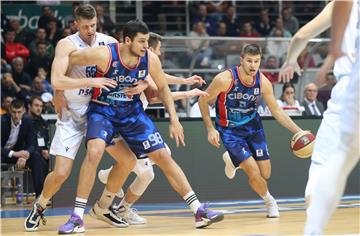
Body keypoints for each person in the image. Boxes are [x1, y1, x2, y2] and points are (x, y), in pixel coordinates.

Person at [67, 19, 224, 230]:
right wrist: (76, 85)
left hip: (132, 113)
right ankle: (77, 216)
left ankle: (198, 210)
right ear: (127, 40)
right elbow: (70, 58)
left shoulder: (149, 59)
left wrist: (174, 119)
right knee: (94, 152)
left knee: (163, 157)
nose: (145, 46)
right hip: (103, 110)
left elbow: (163, 89)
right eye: (142, 42)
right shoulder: (104, 54)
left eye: (147, 41)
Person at [24, 4, 124, 233]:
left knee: (127, 160)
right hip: (72, 113)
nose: (90, 30)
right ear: (75, 24)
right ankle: (39, 205)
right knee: (60, 173)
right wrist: (87, 83)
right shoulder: (66, 45)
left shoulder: (108, 42)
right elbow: (57, 81)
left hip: (99, 112)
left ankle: (105, 206)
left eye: (94, 25)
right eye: (86, 26)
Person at [97, 32, 208, 225]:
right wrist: (188, 91)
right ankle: (113, 191)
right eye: (156, 49)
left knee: (152, 166)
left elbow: (160, 79)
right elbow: (156, 97)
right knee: (153, 165)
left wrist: (185, 82)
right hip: (120, 120)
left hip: (130, 120)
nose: (159, 52)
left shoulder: (146, 67)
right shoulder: (138, 65)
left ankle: (116, 192)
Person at [198, 44, 306, 218]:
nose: (253, 65)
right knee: (253, 172)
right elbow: (202, 101)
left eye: (256, 61)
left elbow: (277, 111)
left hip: (253, 127)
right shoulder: (224, 79)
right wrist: (210, 129)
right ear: (241, 60)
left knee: (265, 173)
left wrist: (298, 131)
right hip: (230, 130)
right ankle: (270, 201)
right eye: (249, 61)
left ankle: (232, 160)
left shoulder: (263, 82)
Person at [278, 0, 358, 234]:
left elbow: (301, 36)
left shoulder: (343, 4)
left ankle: (313, 230)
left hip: (352, 87)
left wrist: (291, 60)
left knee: (321, 166)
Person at [304, 0, 359, 235]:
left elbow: (344, 2)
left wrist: (334, 51)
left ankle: (313, 230)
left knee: (339, 157)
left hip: (351, 81)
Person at [1, 100, 48, 197]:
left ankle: (40, 196)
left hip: (19, 154)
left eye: (19, 112)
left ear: (23, 111)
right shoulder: (2, 121)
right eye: (14, 112)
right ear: (10, 111)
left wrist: (26, 154)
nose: (16, 115)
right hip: (4, 153)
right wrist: (14, 153)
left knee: (36, 156)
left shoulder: (28, 121)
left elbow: (32, 143)